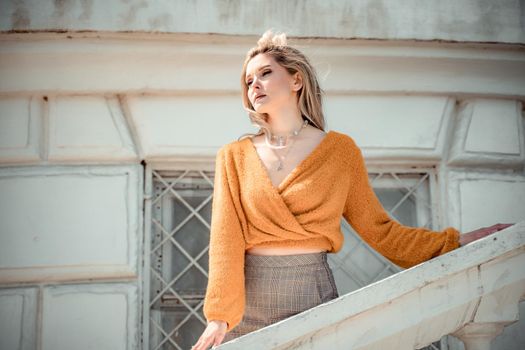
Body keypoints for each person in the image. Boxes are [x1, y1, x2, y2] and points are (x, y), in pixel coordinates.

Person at [191, 30, 514, 350]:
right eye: (248, 81)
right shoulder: (233, 155)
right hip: (248, 301)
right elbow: (226, 240)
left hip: (312, 295)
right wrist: (220, 315)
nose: (254, 85)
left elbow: (380, 231)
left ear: (296, 80)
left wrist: (454, 241)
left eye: (265, 73)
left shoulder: (340, 151)